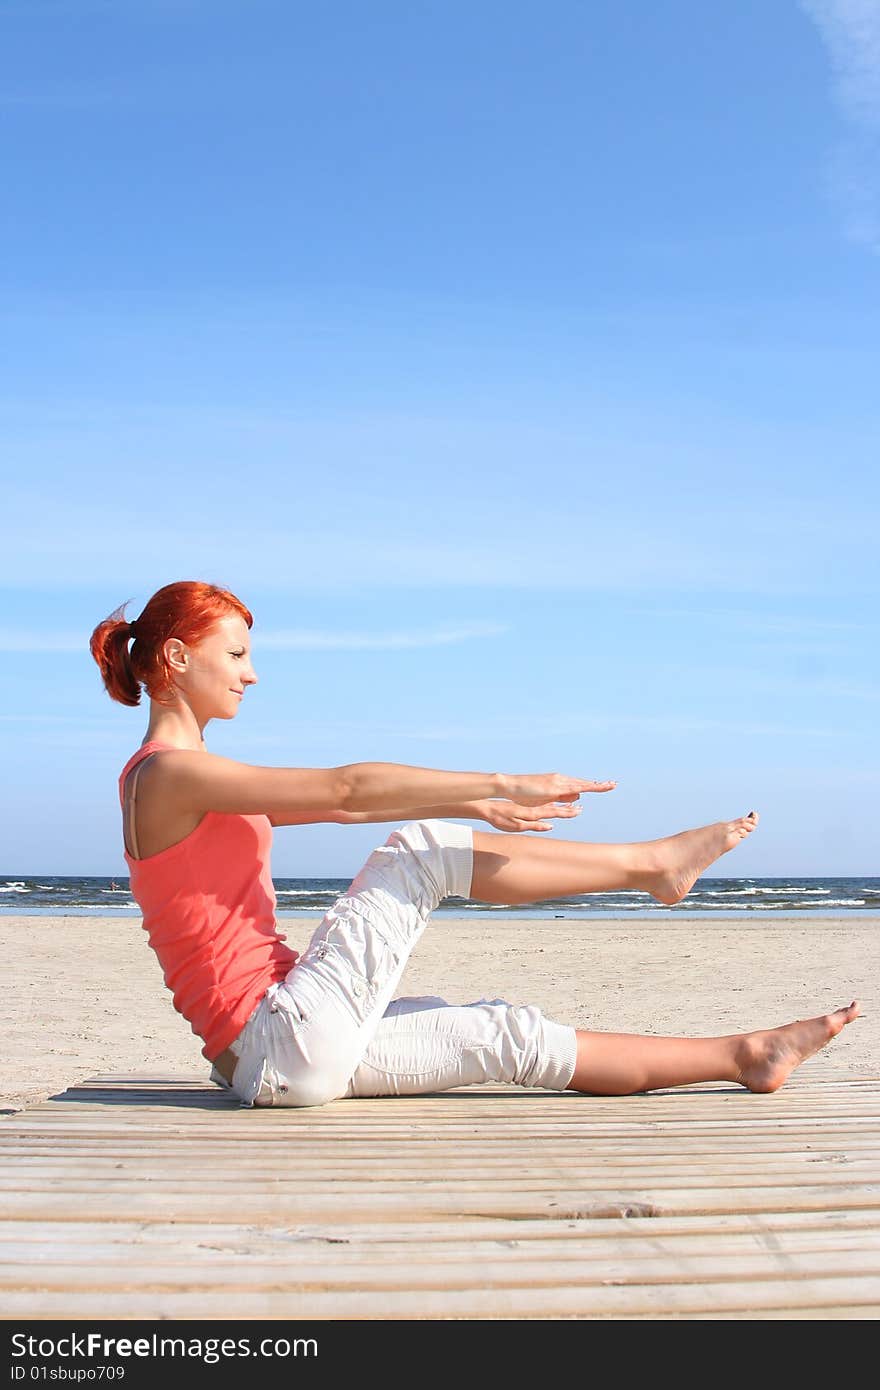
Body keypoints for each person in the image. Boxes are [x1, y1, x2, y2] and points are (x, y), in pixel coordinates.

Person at [89, 580, 859, 1110]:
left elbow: (346, 810)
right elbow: (346, 790)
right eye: (236, 656)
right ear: (178, 659)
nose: (253, 676)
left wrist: (476, 800)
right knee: (419, 849)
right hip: (277, 1036)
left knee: (502, 1034)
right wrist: (501, 782)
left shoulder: (192, 783)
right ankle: (653, 865)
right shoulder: (169, 777)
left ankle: (746, 1056)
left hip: (275, 1065)